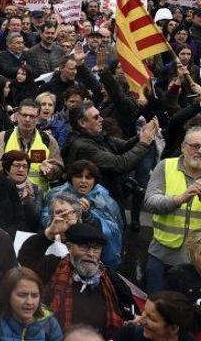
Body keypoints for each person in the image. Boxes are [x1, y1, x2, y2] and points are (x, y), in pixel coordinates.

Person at [39, 223, 135, 339]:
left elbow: (131, 310)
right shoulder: (53, 267)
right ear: (69, 247)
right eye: (84, 247)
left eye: (96, 248)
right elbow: (27, 257)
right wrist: (48, 234)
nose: (90, 254)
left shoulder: (110, 277)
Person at [145, 126, 201, 293]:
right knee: (157, 309)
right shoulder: (165, 166)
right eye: (195, 146)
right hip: (161, 256)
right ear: (183, 147)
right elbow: (150, 201)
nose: (200, 151)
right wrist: (179, 199)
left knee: (189, 314)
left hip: (197, 262)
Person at [63, 101, 156, 200]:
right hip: (96, 202)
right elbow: (120, 164)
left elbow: (123, 146)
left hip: (109, 197)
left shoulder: (98, 137)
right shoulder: (83, 147)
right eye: (96, 117)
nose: (101, 119)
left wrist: (141, 136)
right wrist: (144, 143)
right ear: (82, 123)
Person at [42, 160, 123, 271]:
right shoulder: (56, 194)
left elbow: (113, 231)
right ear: (71, 178)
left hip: (93, 255)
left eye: (88, 178)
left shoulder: (104, 199)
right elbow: (44, 220)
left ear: (95, 180)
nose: (83, 181)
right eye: (79, 176)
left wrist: (88, 216)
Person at [0, 99, 65, 193]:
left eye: (32, 116)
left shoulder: (48, 140)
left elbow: (59, 168)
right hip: (8, 192)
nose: (27, 119)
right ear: (17, 116)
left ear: (38, 118)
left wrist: (50, 169)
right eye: (24, 115)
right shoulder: (4, 137)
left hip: (38, 196)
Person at [0, 267, 63, 341]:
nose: (29, 302)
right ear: (8, 296)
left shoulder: (50, 324)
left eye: (35, 296)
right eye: (22, 295)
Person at [113, 291, 196, 341]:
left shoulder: (188, 339)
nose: (141, 320)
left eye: (151, 318)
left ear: (173, 328)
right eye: (144, 311)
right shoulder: (129, 335)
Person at [1, 150, 43, 232]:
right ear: (7, 169)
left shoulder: (36, 190)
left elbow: (36, 220)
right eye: (17, 165)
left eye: (25, 166)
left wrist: (28, 200)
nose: (21, 169)